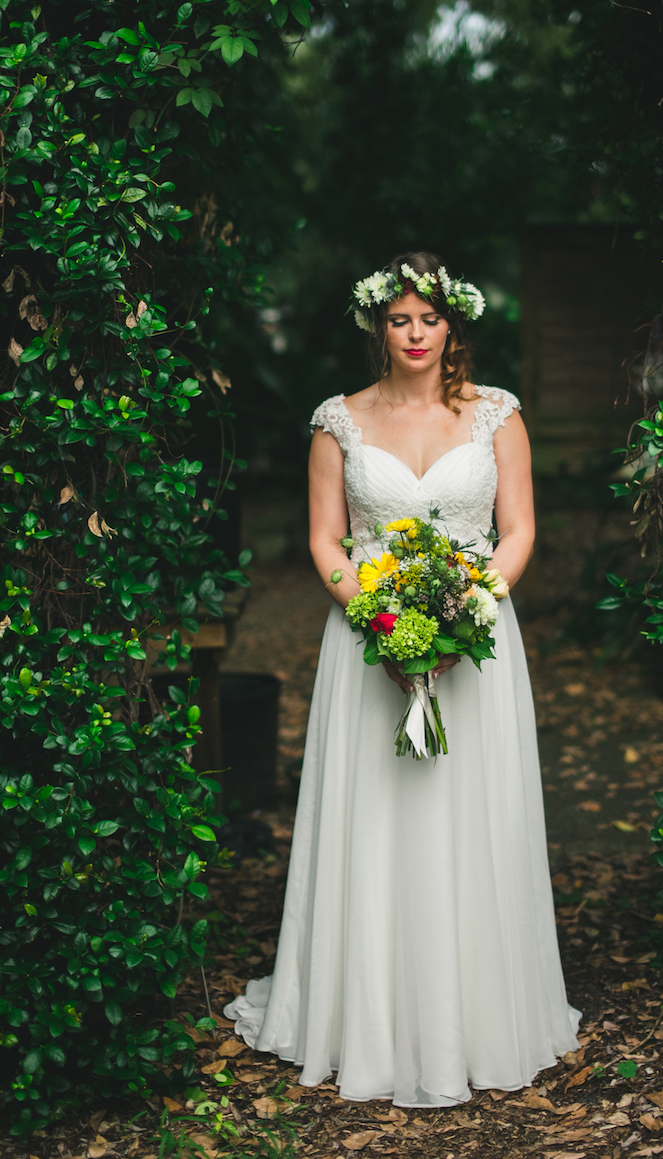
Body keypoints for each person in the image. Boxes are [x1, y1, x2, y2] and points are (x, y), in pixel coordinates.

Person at [224, 251, 580, 1107]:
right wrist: (376, 624)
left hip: (477, 647)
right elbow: (324, 539)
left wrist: (469, 614)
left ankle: (480, 1016)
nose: (415, 334)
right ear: (376, 328)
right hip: (367, 646)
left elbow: (519, 528)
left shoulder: (499, 416)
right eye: (399, 320)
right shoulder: (336, 422)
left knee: (469, 817)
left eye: (428, 319)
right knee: (378, 816)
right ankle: (366, 1017)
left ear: (451, 324)